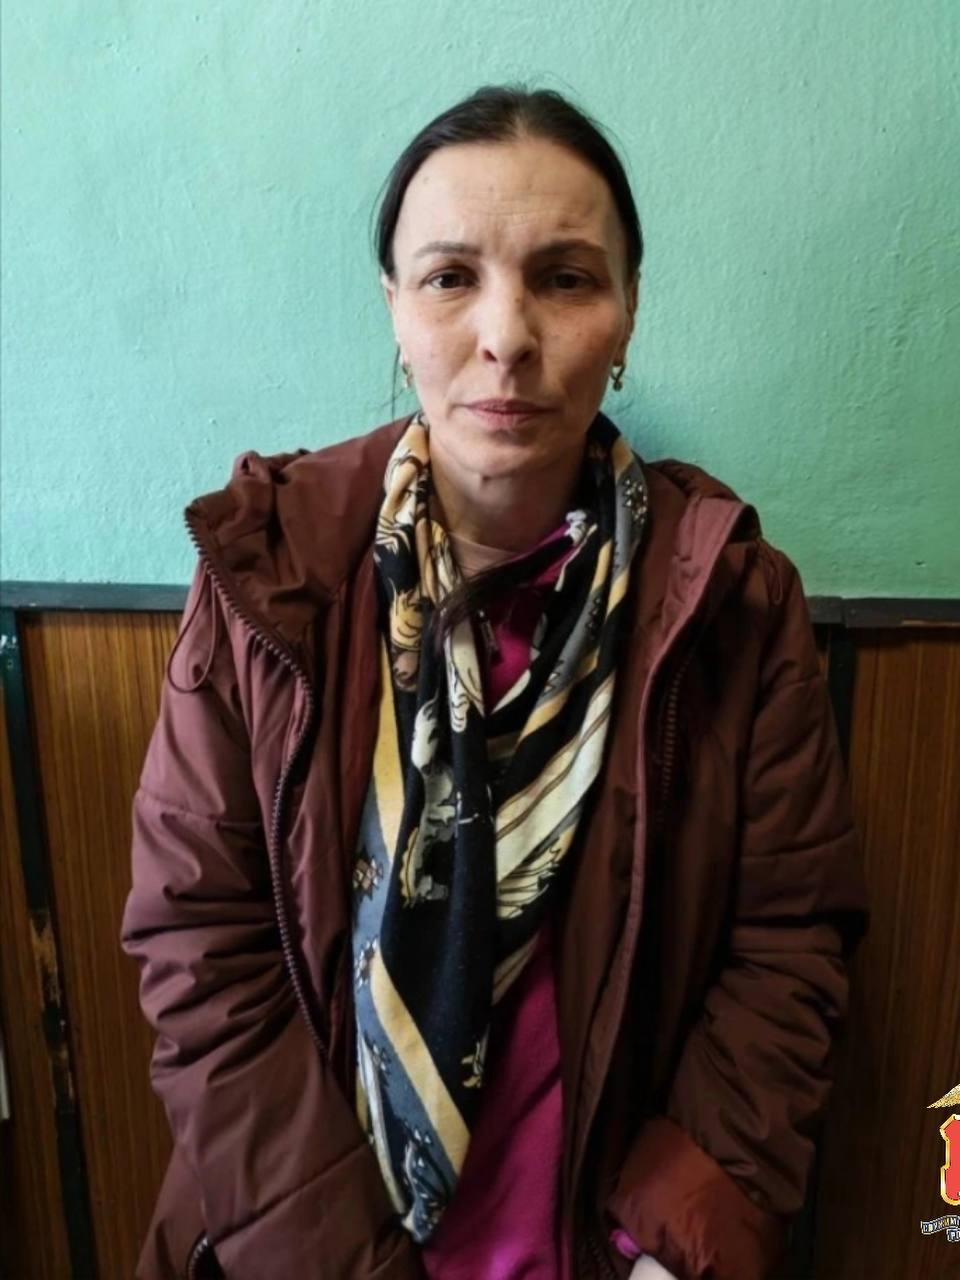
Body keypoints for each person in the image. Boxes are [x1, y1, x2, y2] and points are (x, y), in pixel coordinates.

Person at [121, 83, 868, 1280]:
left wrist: (668, 1240)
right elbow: (200, 947)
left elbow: (787, 939)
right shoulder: (273, 574)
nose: (507, 334)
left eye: (565, 278)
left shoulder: (729, 596)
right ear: (395, 309)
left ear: (627, 315)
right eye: (450, 277)